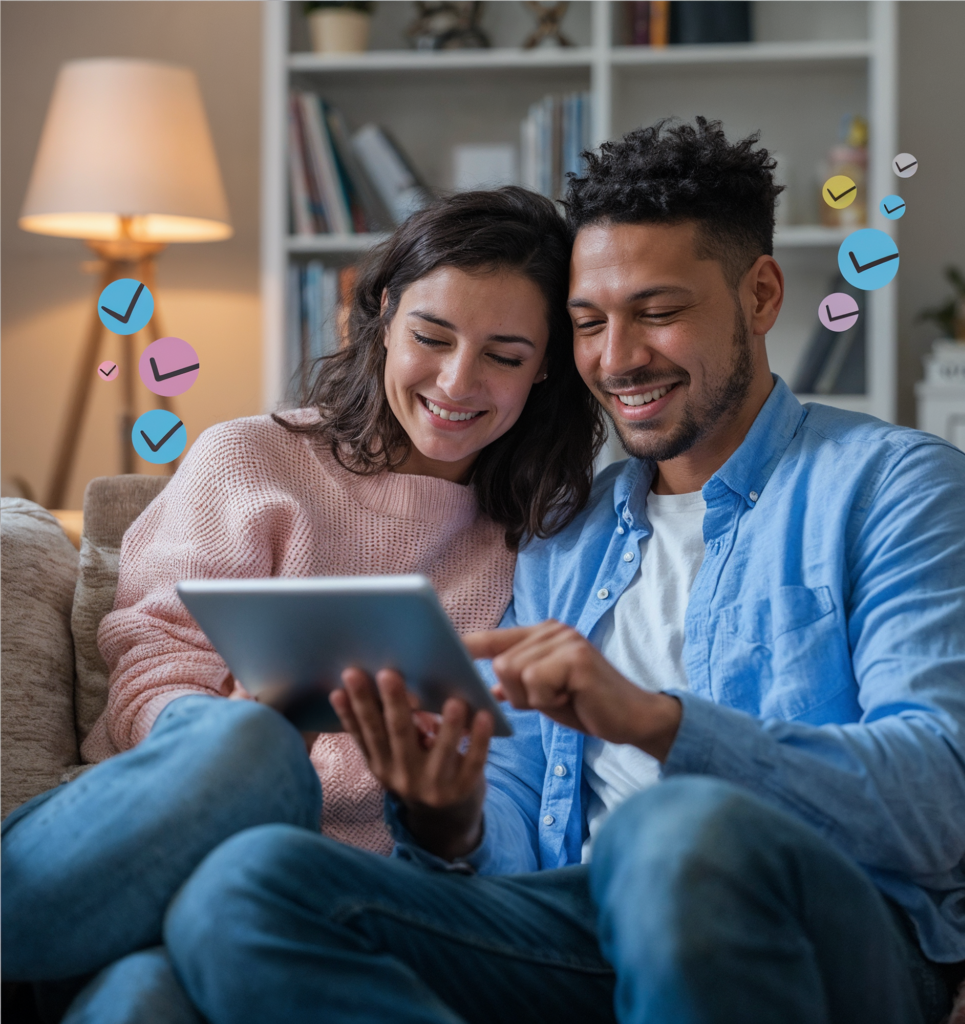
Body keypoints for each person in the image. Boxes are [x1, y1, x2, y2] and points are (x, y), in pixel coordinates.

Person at [164, 119, 965, 1024]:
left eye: (658, 312)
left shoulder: (899, 486)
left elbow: (930, 802)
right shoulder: (568, 529)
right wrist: (449, 818)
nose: (617, 360)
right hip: (579, 929)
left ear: (760, 295)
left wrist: (654, 724)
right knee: (246, 887)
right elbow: (517, 810)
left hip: (823, 934)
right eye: (586, 323)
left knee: (674, 827)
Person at [1, 187, 604, 1021]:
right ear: (384, 315)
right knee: (252, 742)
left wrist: (440, 805)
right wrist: (218, 722)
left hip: (321, 910)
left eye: (504, 355)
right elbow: (150, 655)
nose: (457, 381)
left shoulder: (537, 541)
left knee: (140, 1002)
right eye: (431, 336)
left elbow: (506, 789)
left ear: (545, 367)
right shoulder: (252, 459)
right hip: (157, 851)